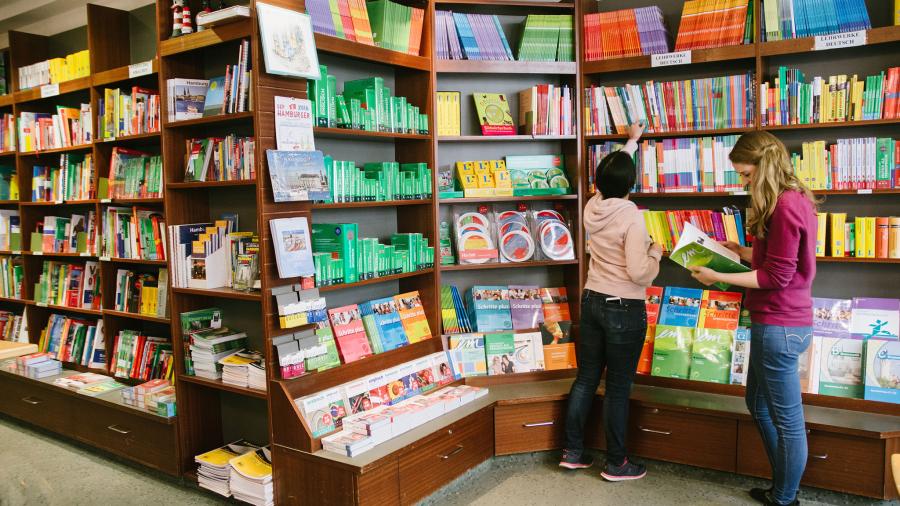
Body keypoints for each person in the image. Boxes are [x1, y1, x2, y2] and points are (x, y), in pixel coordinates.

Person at [689, 131, 817, 506]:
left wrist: (719, 276)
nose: (744, 183)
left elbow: (776, 276)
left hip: (779, 324)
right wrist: (741, 251)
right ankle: (782, 487)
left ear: (764, 166)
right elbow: (779, 260)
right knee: (758, 404)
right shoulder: (790, 200)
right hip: (782, 321)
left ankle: (784, 497)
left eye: (746, 175)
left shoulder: (785, 205)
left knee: (788, 422)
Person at [559, 122, 662, 482]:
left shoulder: (593, 206)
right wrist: (656, 254)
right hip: (623, 306)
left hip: (592, 300)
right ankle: (617, 463)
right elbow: (639, 273)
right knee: (618, 388)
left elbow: (612, 175)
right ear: (630, 185)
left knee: (586, 378)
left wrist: (631, 142)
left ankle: (573, 451)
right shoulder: (632, 218)